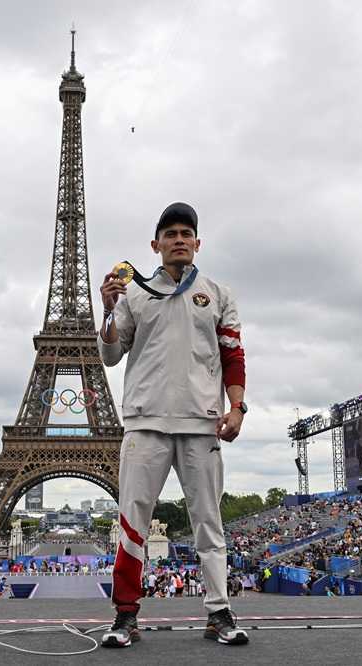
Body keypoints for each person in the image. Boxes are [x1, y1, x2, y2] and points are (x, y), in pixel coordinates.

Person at [98, 203, 248, 648]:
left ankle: (218, 610)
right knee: (132, 523)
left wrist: (237, 408)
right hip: (145, 420)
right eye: (171, 234)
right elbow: (110, 355)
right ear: (155, 245)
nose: (179, 239)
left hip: (201, 422)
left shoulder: (219, 293)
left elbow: (233, 355)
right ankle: (126, 615)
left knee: (209, 522)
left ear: (197, 242)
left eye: (187, 233)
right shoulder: (135, 293)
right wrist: (107, 310)